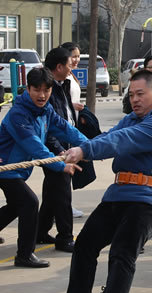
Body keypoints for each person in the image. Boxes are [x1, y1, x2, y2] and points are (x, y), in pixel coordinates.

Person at [57, 70, 152, 293]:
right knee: (84, 247)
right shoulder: (131, 120)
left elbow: (122, 140)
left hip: (148, 200)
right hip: (119, 194)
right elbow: (107, 138)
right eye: (131, 94)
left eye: (140, 94)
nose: (134, 100)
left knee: (122, 254)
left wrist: (85, 150)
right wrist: (80, 147)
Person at [0, 67, 86, 268]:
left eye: (46, 90)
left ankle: (25, 253)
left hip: (17, 171)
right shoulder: (18, 115)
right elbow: (34, 146)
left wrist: (90, 147)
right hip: (5, 169)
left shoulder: (45, 111)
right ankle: (24, 254)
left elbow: (66, 130)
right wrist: (60, 165)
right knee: (29, 202)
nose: (42, 95)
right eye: (37, 89)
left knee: (16, 205)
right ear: (28, 89)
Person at [36, 47, 80, 252]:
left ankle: (40, 231)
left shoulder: (63, 84)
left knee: (53, 191)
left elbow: (65, 119)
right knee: (62, 194)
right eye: (71, 61)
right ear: (59, 66)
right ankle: (65, 237)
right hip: (56, 151)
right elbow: (49, 129)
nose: (74, 65)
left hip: (66, 147)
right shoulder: (47, 89)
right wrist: (60, 152)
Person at [59, 42, 85, 219]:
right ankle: (64, 209)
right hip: (62, 130)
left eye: (78, 56)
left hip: (71, 126)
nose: (76, 60)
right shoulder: (63, 79)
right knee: (61, 175)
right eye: (73, 56)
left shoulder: (71, 76)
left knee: (58, 181)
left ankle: (56, 212)